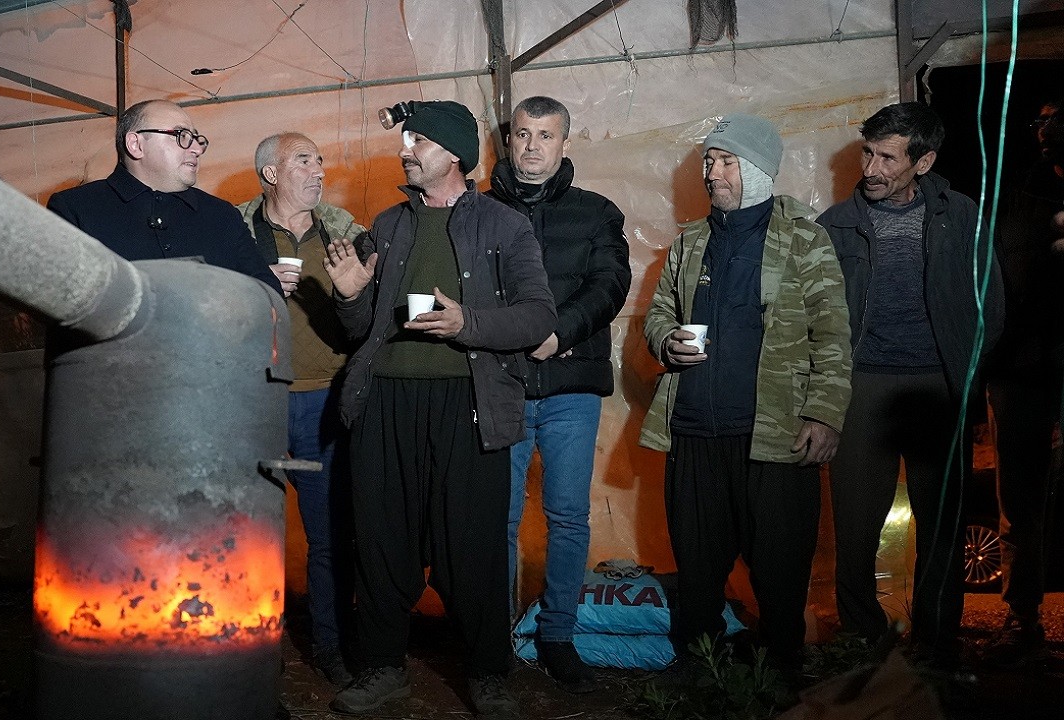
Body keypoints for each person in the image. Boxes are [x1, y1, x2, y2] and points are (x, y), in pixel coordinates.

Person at [323, 100, 556, 717]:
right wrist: (349, 296)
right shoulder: (387, 225)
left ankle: (488, 674)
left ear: (454, 153)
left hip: (466, 403)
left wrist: (466, 323)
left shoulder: (504, 226)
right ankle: (381, 667)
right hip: (385, 403)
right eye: (406, 140)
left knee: (472, 546)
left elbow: (538, 316)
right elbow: (360, 329)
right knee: (381, 540)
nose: (406, 150)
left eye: (419, 140)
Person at [640, 113, 852, 678]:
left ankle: (781, 677)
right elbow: (658, 313)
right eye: (709, 162)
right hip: (694, 433)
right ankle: (701, 676)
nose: (712, 173)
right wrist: (666, 339)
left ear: (758, 169)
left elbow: (833, 332)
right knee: (698, 570)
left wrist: (825, 413)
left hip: (774, 436)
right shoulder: (691, 242)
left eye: (726, 162)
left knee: (780, 572)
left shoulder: (804, 239)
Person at [816, 101, 1003, 669]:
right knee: (855, 529)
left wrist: (964, 378)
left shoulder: (960, 216)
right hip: (863, 388)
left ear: (924, 163)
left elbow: (990, 305)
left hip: (935, 391)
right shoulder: (835, 225)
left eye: (887, 158)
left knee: (942, 525)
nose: (871, 169)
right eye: (867, 153)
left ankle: (936, 643)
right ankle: (865, 644)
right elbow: (815, 316)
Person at [487, 96, 630, 694]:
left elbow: (610, 283)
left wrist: (560, 332)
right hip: (504, 386)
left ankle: (558, 636)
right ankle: (493, 640)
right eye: (523, 134)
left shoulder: (595, 212)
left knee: (568, 515)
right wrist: (512, 339)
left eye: (545, 136)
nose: (532, 146)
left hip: (571, 386)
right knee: (498, 516)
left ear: (565, 143)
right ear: (509, 140)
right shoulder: (479, 211)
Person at [237, 132, 371, 685]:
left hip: (324, 400)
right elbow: (204, 302)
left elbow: (368, 320)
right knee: (246, 533)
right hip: (253, 401)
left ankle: (331, 646)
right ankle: (241, 646)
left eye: (320, 161)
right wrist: (254, 284)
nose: (319, 170)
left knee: (331, 533)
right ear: (270, 174)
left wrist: (354, 291)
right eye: (303, 161)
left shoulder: (346, 234)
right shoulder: (234, 233)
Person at [982, 100, 1064, 667]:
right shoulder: (1014, 202)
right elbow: (990, 286)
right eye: (1041, 122)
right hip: (1022, 373)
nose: (1046, 131)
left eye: (1058, 120)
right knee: (1021, 498)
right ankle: (1023, 615)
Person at [47, 99, 281, 296]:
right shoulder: (74, 209)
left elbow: (268, 293)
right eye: (181, 135)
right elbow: (60, 298)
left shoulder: (222, 215)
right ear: (136, 144)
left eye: (197, 139)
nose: (196, 149)